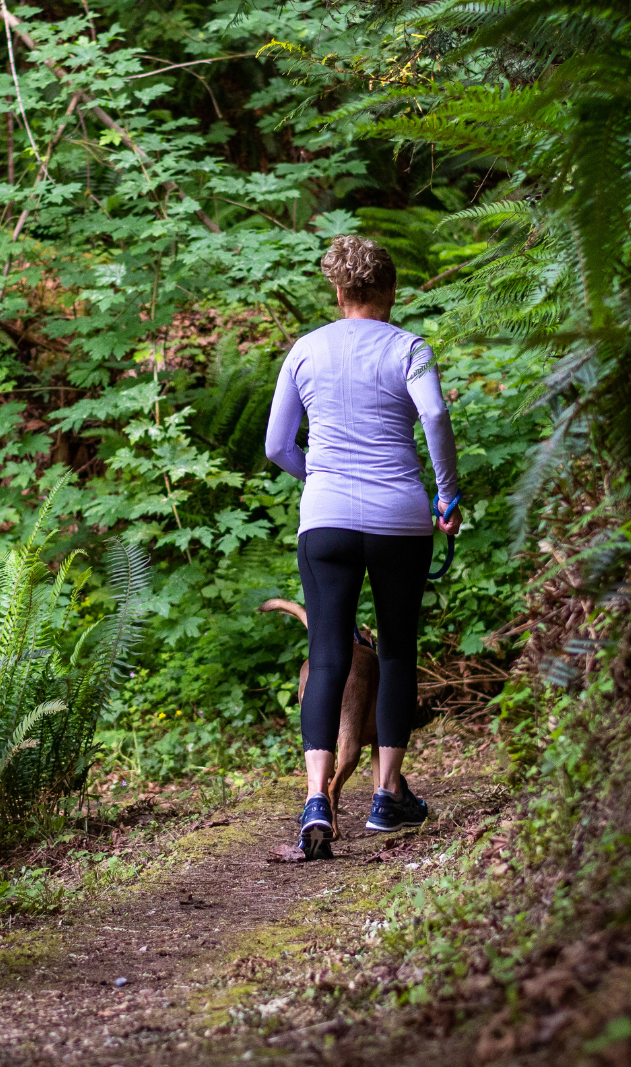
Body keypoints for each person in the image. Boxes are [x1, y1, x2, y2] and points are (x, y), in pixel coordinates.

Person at [264, 234, 462, 859]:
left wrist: (320, 480)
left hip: (325, 519)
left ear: (339, 291)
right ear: (391, 291)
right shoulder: (410, 347)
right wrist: (446, 495)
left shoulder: (305, 349)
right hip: (401, 517)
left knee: (328, 655)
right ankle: (384, 799)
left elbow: (276, 446)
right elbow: (432, 417)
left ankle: (317, 799)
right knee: (398, 653)